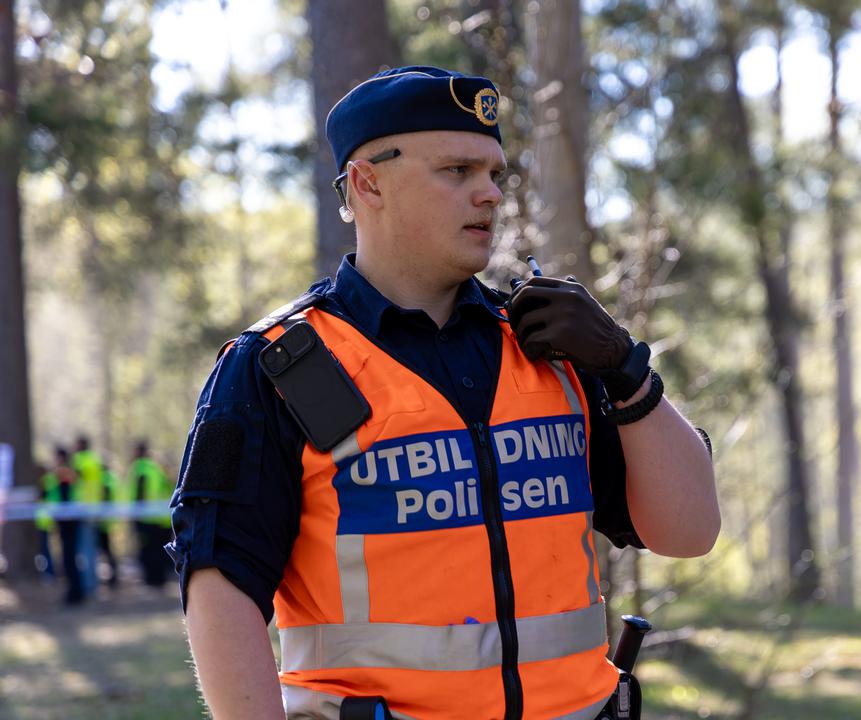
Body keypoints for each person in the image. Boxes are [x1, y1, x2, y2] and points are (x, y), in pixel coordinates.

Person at [168, 65, 719, 720]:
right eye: (458, 171)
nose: (489, 195)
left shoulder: (551, 349)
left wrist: (626, 370)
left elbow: (689, 531)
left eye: (495, 175)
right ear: (368, 183)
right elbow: (221, 588)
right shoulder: (289, 367)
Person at [73, 435, 118, 589]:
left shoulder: (79, 460)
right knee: (93, 549)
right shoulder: (95, 460)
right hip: (95, 508)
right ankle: (93, 584)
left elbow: (75, 479)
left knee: (85, 550)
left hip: (82, 510)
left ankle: (88, 585)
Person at [131, 441, 174, 589]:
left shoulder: (140, 468)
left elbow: (139, 494)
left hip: (146, 518)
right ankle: (159, 579)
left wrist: (135, 513)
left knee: (148, 550)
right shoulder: (157, 467)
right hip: (162, 518)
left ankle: (152, 580)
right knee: (158, 550)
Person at [52, 446, 87, 605]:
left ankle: (75, 593)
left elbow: (64, 497)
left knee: (69, 558)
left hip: (68, 522)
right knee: (70, 557)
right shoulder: (71, 472)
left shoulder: (63, 474)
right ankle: (76, 591)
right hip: (71, 521)